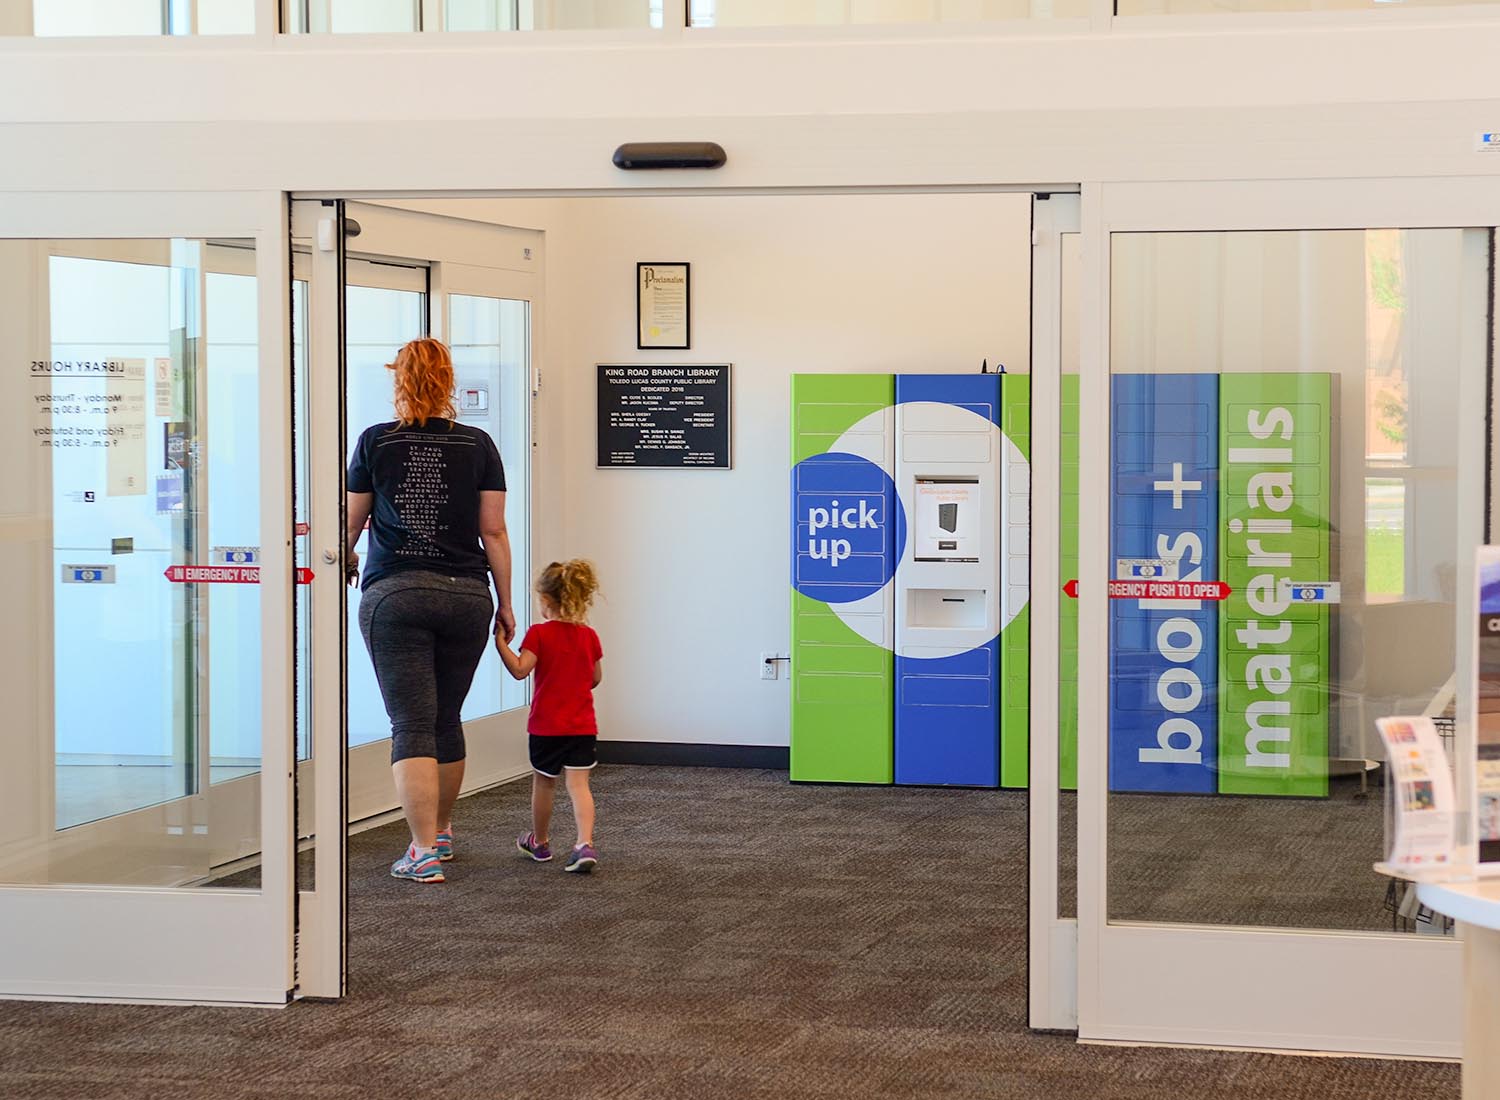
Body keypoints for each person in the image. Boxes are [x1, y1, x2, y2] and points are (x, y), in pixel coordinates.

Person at [345, 337, 516, 885]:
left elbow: (349, 525)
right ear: (448, 382)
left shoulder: (376, 442)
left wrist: (344, 555)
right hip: (467, 595)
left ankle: (420, 852)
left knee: (410, 723)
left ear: (399, 379)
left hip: (395, 595)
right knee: (445, 719)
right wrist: (507, 603)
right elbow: (493, 530)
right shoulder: (478, 444)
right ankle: (440, 831)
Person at [495, 560, 603, 874]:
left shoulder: (540, 634)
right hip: (582, 726)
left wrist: (500, 643)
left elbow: (519, 670)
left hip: (546, 726)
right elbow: (595, 677)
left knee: (544, 783)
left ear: (545, 602)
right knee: (579, 786)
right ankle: (584, 843)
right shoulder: (589, 636)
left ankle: (540, 842)